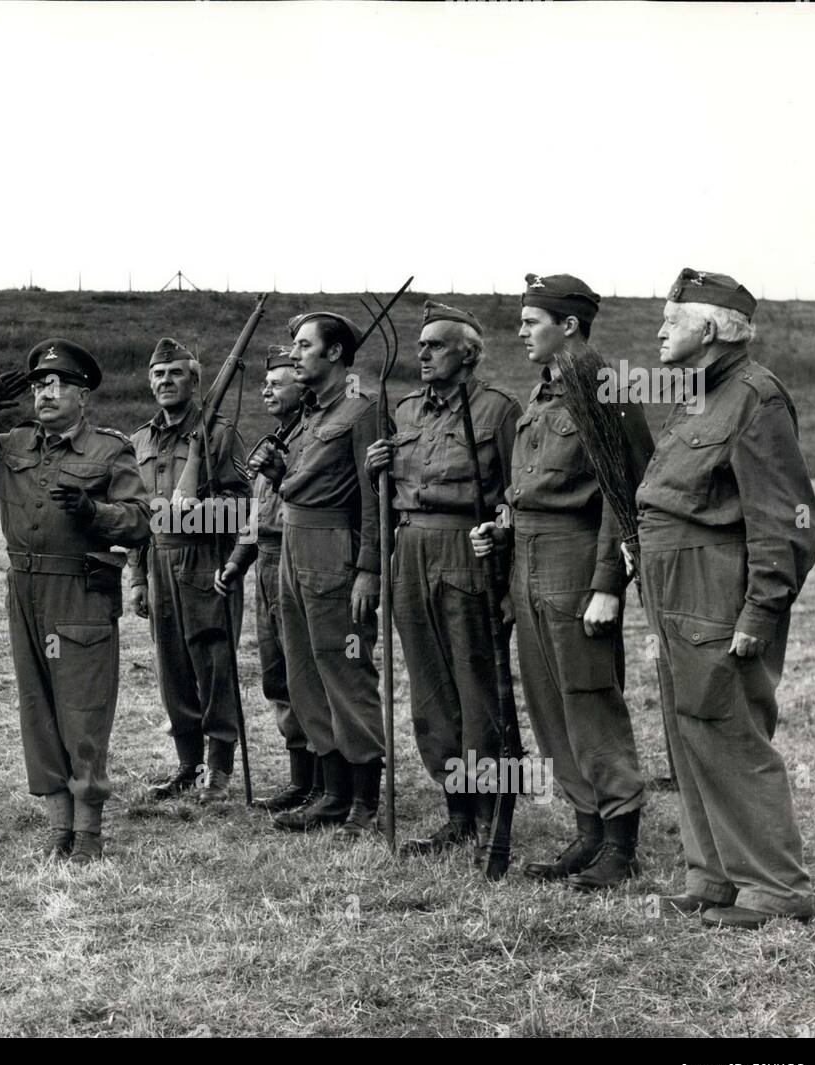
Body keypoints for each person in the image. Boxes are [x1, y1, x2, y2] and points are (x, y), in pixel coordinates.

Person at [636, 269, 815, 928]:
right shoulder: (692, 396)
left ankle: (775, 887)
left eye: (671, 319)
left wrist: (761, 610)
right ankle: (713, 876)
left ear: (709, 329)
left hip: (717, 591)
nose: (659, 330)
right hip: (675, 590)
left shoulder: (755, 398)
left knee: (730, 730)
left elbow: (788, 517)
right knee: (689, 733)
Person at [472, 274, 651, 890]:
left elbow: (621, 492)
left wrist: (608, 581)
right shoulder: (545, 393)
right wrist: (502, 530)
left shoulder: (603, 387)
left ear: (568, 325)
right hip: (529, 559)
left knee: (590, 698)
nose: (520, 331)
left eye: (532, 321)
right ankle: (589, 832)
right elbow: (530, 489)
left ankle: (620, 845)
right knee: (550, 704)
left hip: (578, 561)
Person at [0, 341, 151, 863]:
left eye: (59, 385)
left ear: (84, 397)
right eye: (39, 385)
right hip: (24, 590)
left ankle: (88, 832)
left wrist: (93, 512)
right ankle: (58, 827)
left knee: (82, 709)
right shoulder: (14, 443)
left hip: (80, 591)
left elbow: (141, 520)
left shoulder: (110, 450)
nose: (46, 392)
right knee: (36, 707)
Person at [364, 302, 521, 861]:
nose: (423, 353)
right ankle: (456, 812)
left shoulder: (498, 410)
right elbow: (385, 497)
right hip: (409, 549)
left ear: (469, 354)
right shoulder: (405, 412)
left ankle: (490, 815)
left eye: (437, 345)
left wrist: (500, 549)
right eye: (421, 344)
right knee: (429, 690)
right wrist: (375, 465)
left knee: (477, 686)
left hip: (466, 551)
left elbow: (515, 498)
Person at [250, 312, 386, 837]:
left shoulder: (361, 413)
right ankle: (330, 793)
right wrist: (280, 474)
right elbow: (305, 482)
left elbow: (373, 500)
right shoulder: (308, 417)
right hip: (292, 547)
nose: (296, 354)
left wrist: (369, 570)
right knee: (305, 674)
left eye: (305, 345)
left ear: (334, 354)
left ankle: (365, 802)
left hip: (334, 551)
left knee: (345, 673)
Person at [128, 338, 251, 805]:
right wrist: (138, 577)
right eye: (158, 375)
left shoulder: (220, 433)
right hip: (159, 561)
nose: (165, 382)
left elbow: (245, 508)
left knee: (214, 666)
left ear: (195, 380)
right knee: (173, 669)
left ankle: (218, 771)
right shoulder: (139, 440)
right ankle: (188, 766)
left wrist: (197, 511)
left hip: (206, 560)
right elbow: (137, 514)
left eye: (175, 374)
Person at [214, 346, 315, 810]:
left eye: (277, 382)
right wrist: (237, 561)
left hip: (305, 560)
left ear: (303, 385)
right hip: (267, 566)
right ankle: (301, 778)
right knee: (278, 676)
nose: (266, 390)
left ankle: (332, 781)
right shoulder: (271, 440)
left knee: (311, 672)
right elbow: (256, 516)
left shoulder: (315, 440)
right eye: (265, 383)